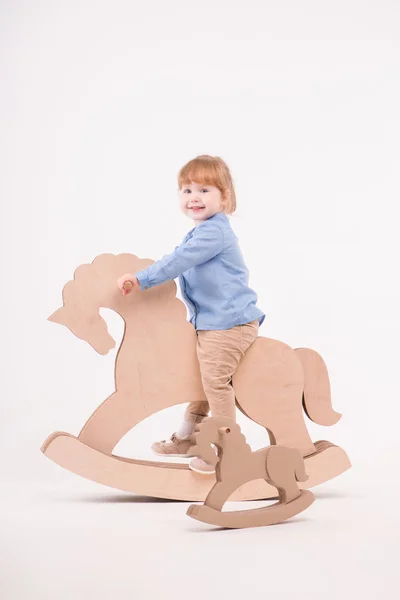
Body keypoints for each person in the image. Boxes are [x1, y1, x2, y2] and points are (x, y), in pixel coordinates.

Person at [117, 155, 265, 474]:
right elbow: (180, 258)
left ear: (225, 198)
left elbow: (179, 261)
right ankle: (187, 438)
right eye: (186, 190)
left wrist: (141, 278)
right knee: (200, 380)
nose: (194, 197)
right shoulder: (200, 231)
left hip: (229, 324)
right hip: (211, 323)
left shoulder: (214, 233)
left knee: (215, 383)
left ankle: (228, 450)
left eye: (204, 190)